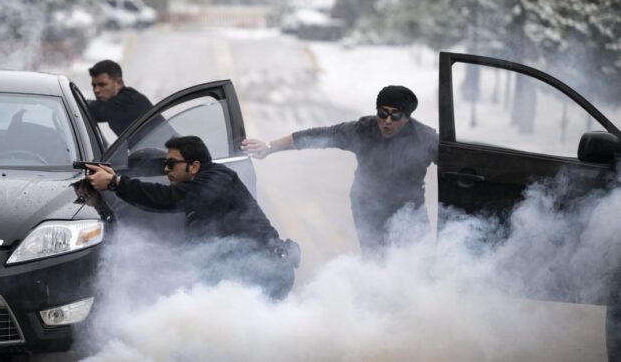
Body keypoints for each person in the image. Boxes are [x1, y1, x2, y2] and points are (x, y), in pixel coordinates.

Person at [85, 135, 298, 299]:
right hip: (241, 271)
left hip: (266, 272)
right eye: (165, 164)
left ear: (194, 166)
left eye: (171, 164)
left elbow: (168, 198)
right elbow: (155, 167)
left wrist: (116, 183)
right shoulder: (201, 177)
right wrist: (113, 170)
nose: (166, 170)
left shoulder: (216, 180)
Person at [242, 85, 438, 254]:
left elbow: (455, 164)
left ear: (407, 117)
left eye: (395, 115)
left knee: (420, 257)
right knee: (377, 258)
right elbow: (317, 135)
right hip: (368, 203)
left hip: (409, 207)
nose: (387, 121)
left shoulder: (425, 138)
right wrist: (269, 147)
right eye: (382, 113)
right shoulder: (362, 130)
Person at [88, 59, 153, 135]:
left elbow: (92, 109)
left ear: (119, 83)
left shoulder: (127, 102)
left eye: (102, 85)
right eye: (94, 85)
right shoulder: (127, 98)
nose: (96, 90)